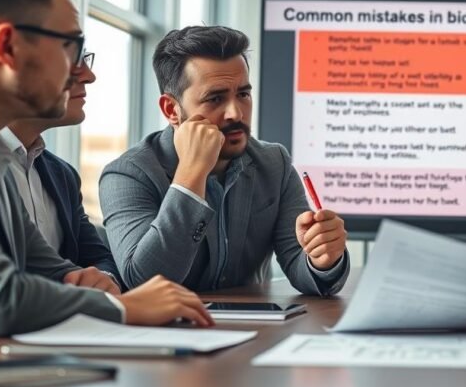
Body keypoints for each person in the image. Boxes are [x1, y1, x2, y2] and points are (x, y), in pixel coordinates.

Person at [0, 0, 212, 335]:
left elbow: (44, 265)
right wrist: (121, 307)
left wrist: (91, 284)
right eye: (69, 46)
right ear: (7, 46)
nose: (87, 73)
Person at [99, 25, 349, 294]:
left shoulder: (274, 163)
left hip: (256, 329)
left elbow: (299, 265)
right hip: (165, 331)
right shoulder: (127, 175)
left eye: (243, 94)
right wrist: (191, 175)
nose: (235, 113)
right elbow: (144, 282)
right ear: (172, 110)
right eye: (215, 98)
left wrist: (322, 259)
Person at [0, 50, 122, 287]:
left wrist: (103, 282)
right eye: (72, 57)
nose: (89, 76)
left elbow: (98, 258)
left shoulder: (63, 174)